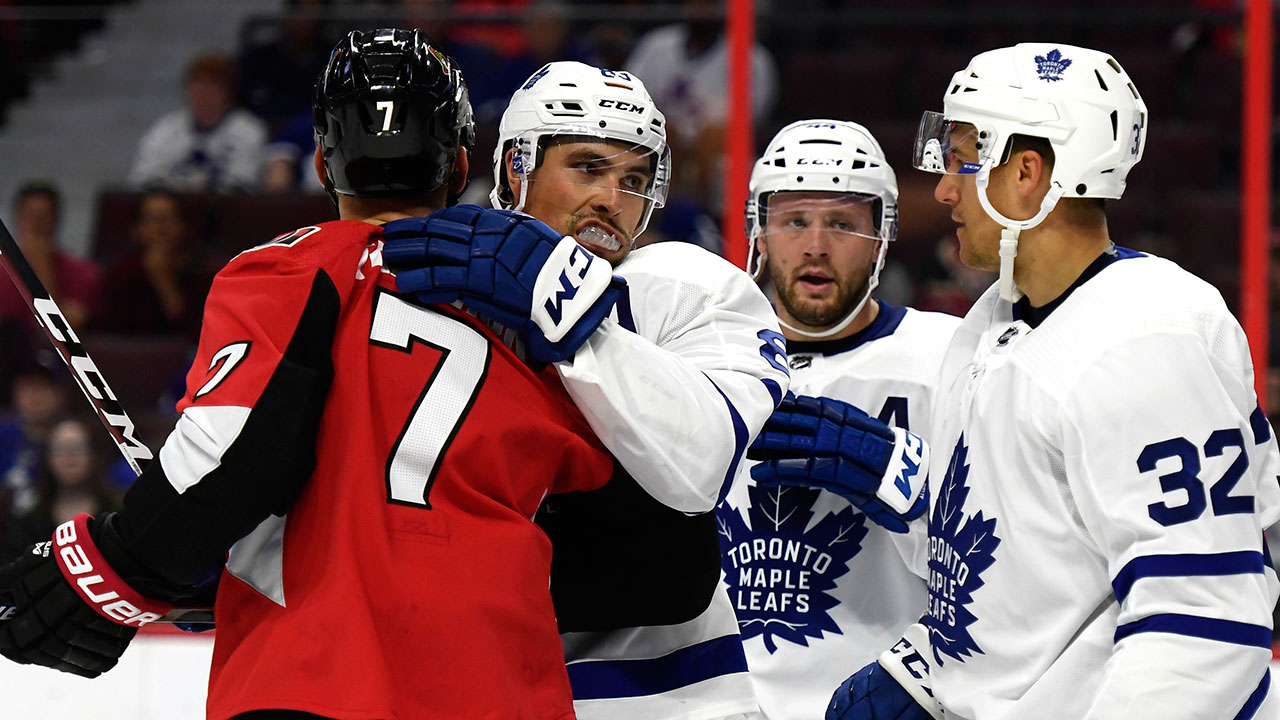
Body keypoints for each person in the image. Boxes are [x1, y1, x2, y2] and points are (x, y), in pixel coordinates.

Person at [0, 28, 618, 720]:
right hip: (502, 691)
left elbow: (236, 462)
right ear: (461, 163)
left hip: (307, 679)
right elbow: (630, 556)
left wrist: (106, 566)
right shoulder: (547, 309)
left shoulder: (284, 271)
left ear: (323, 164)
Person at [822, 43, 1280, 720]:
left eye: (964, 156)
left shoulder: (1145, 337)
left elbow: (1201, 625)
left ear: (1028, 173)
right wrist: (923, 670)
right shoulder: (990, 322)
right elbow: (1010, 567)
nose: (946, 187)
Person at [382, 60, 790, 719]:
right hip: (468, 683)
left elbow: (702, 461)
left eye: (633, 179)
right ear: (516, 167)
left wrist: (566, 310)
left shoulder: (691, 286)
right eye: (589, 168)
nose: (613, 201)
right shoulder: (433, 273)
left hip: (668, 695)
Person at [716, 119, 959, 720]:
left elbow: (1015, 556)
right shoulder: (703, 357)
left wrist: (913, 482)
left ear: (882, 238)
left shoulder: (953, 358)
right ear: (761, 232)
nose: (816, 245)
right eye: (795, 221)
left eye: (844, 224)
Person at [128, 53, 268, 192]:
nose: (202, 92)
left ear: (229, 93)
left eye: (211, 85)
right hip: (174, 207)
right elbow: (143, 178)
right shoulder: (166, 128)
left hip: (224, 208)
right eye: (196, 84)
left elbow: (244, 183)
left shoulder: (248, 130)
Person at [97, 190, 216, 341]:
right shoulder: (121, 271)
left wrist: (163, 279)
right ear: (135, 230)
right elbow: (107, 332)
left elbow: (198, 335)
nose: (160, 228)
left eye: (168, 219)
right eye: (152, 220)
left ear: (184, 226)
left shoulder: (204, 273)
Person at [5, 415, 119, 561]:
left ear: (93, 455)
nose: (69, 456)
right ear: (48, 457)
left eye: (78, 448)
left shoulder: (115, 516)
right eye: (60, 448)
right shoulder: (29, 523)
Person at [0, 181, 102, 331]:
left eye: (42, 217)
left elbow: (62, 330)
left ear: (56, 220)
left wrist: (40, 267)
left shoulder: (83, 274)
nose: (36, 225)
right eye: (30, 216)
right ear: (17, 219)